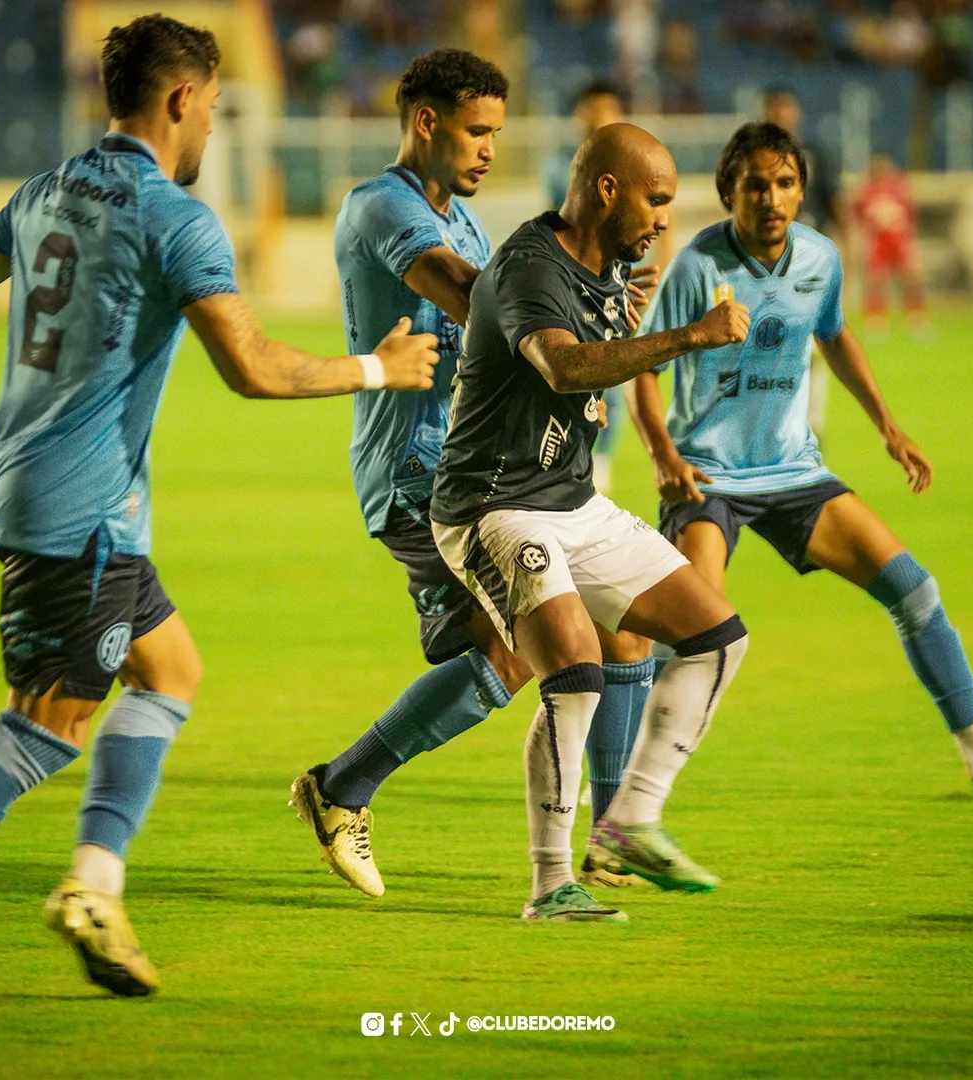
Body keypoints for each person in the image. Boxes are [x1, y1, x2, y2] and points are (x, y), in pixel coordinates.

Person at [0, 14, 438, 1015]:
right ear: (184, 100)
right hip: (83, 514)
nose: (212, 131)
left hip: (31, 487)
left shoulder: (46, 189)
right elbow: (253, 367)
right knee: (47, 724)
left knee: (170, 670)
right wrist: (379, 366)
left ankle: (96, 887)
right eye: (216, 110)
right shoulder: (174, 217)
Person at [291, 50, 654, 900]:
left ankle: (609, 837)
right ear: (426, 123)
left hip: (492, 475)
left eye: (496, 130)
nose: (491, 147)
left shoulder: (470, 223)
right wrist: (579, 312)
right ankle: (344, 785)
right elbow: (474, 300)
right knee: (521, 649)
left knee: (624, 627)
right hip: (420, 477)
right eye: (477, 130)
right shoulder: (383, 206)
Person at [627, 121, 973, 801]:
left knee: (914, 588)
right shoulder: (697, 266)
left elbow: (835, 337)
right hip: (710, 477)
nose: (772, 199)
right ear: (729, 194)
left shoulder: (820, 259)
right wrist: (663, 456)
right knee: (693, 632)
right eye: (756, 186)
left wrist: (888, 427)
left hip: (795, 473)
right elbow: (643, 370)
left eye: (785, 184)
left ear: (802, 190)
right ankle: (622, 799)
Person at [431, 123, 756, 922]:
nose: (663, 220)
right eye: (655, 199)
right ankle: (550, 885)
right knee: (574, 666)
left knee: (719, 636)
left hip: (569, 500)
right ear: (606, 189)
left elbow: (592, 366)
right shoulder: (530, 266)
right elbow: (561, 364)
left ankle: (630, 823)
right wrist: (685, 338)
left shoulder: (607, 268)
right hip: (494, 504)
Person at [544, 79, 662, 494]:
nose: (599, 119)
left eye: (607, 111)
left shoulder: (640, 162)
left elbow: (662, 216)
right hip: (584, 284)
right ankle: (575, 455)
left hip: (630, 285)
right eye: (592, 112)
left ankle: (601, 461)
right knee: (582, 364)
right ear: (580, 117)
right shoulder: (562, 165)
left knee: (622, 367)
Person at [761, 87, 846, 437]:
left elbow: (836, 204)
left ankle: (812, 426)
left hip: (810, 266)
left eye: (787, 108)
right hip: (767, 266)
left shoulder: (816, 155)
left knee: (816, 346)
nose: (782, 114)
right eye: (775, 108)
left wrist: (846, 260)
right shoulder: (751, 158)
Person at [852, 154, 929, 335]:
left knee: (911, 278)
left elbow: (911, 215)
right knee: (876, 280)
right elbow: (858, 215)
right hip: (878, 243)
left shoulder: (900, 188)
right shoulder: (866, 190)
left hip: (899, 242)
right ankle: (876, 318)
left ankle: (916, 316)